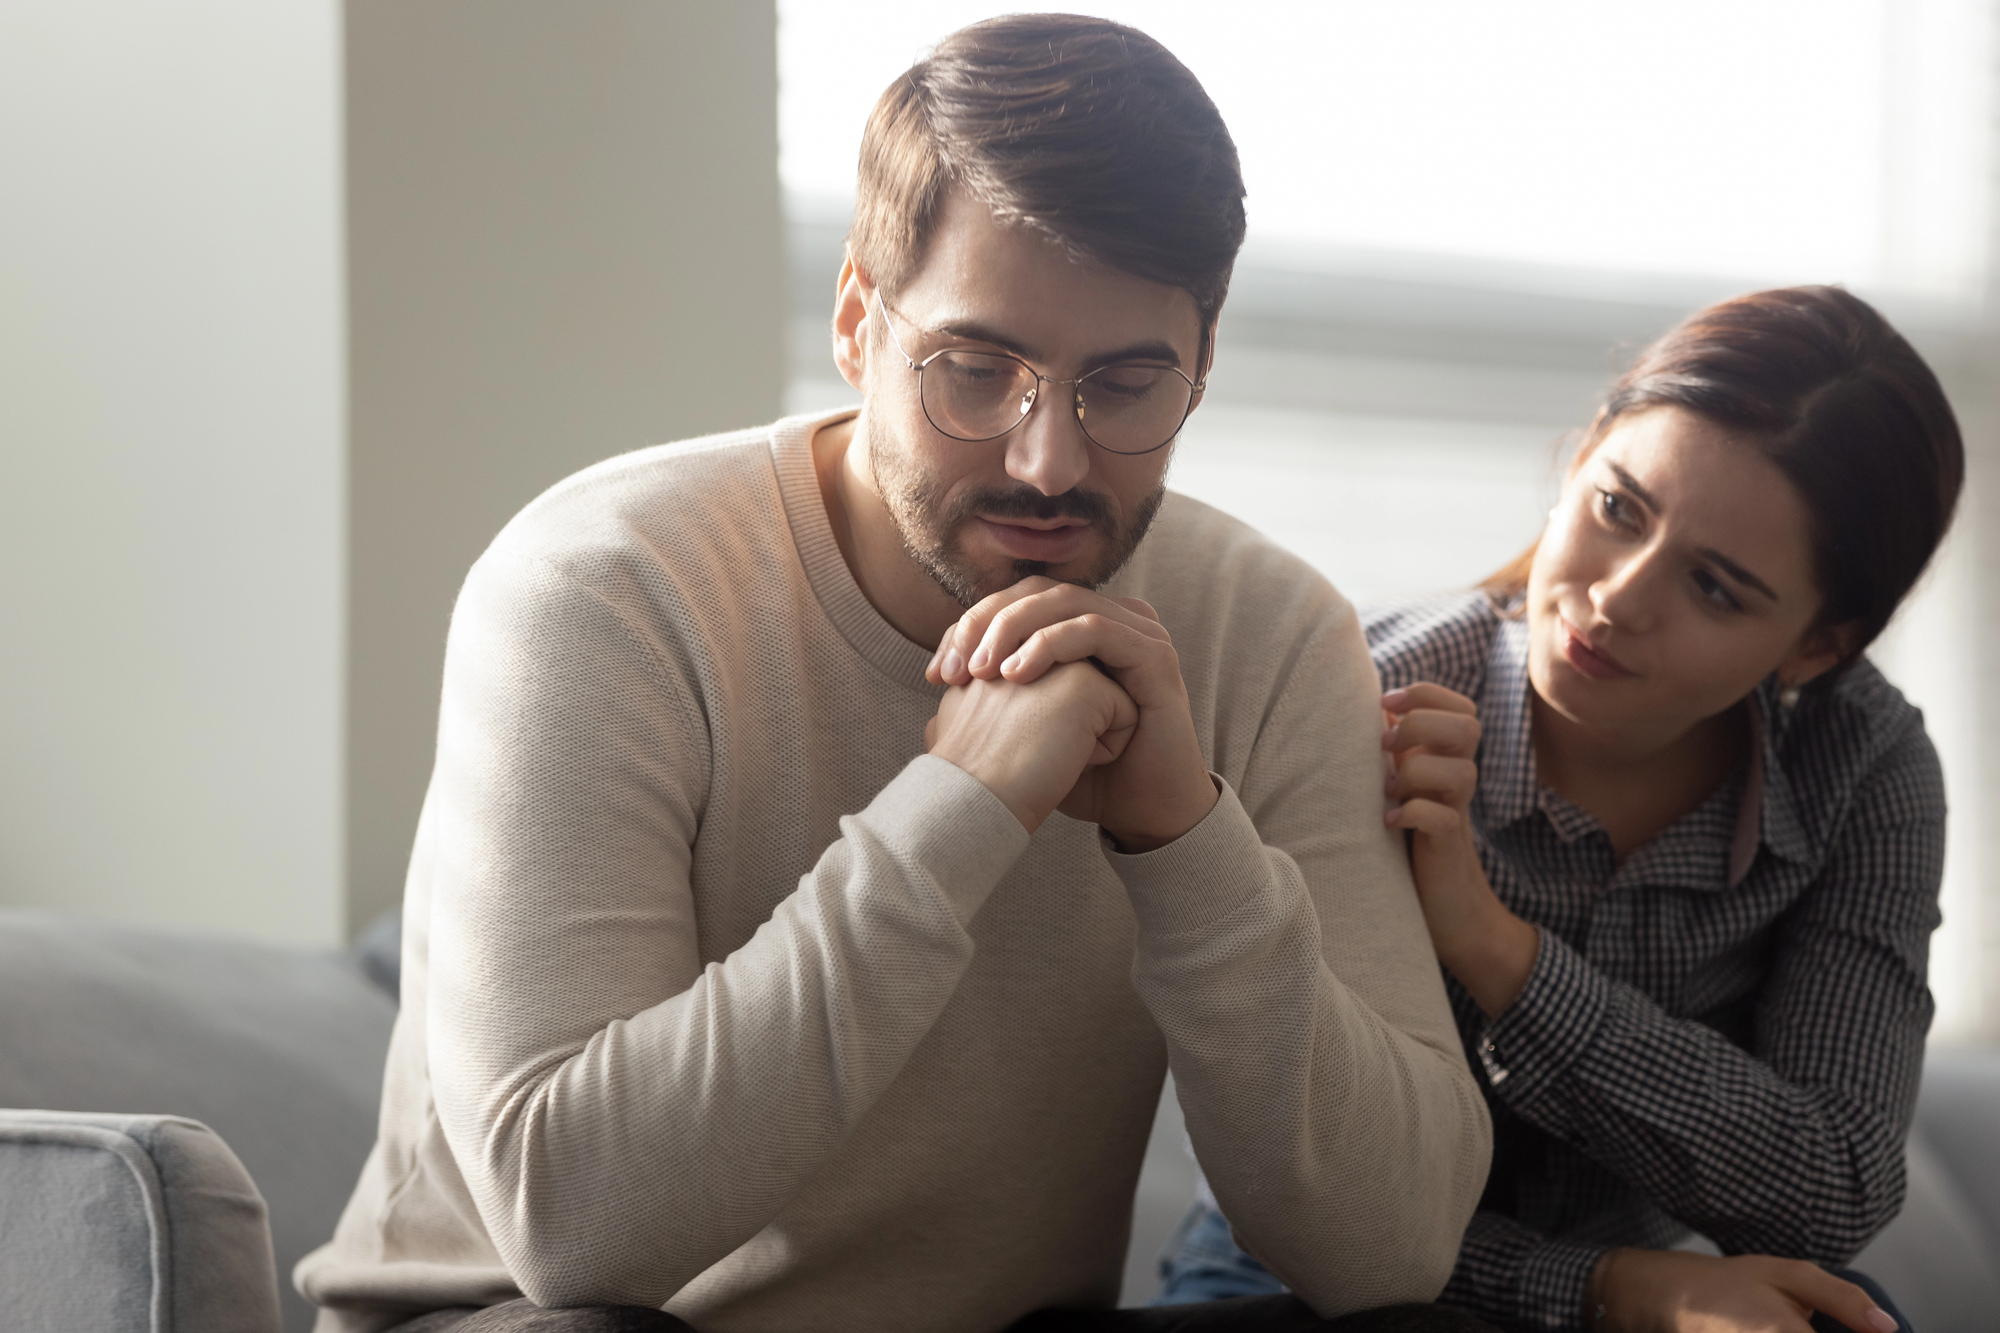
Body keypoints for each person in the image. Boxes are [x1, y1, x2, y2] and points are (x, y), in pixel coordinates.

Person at [296, 15, 1495, 1333]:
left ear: (1202, 363)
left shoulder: (1269, 634)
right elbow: (575, 1226)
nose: (1048, 459)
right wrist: (961, 805)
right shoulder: (604, 586)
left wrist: (1186, 836)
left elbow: (1393, 1249)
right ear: (860, 319)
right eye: (975, 371)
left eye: (1125, 383)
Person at [1157, 286, 1960, 1333]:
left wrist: (1492, 947)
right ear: (1581, 455)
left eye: (1713, 587)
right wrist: (1608, 1288)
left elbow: (1828, 1188)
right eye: (1616, 508)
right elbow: (1307, 1205)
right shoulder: (1360, 701)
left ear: (1816, 644)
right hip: (1310, 1285)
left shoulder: (1859, 763)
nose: (1617, 597)